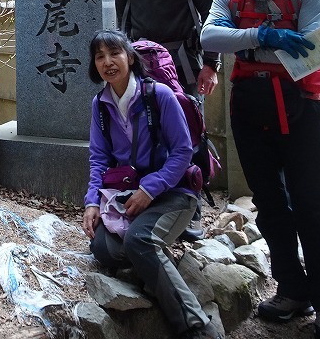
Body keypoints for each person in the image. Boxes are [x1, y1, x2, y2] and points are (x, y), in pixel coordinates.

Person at [201, 0, 320, 339]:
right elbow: (209, 36)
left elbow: (309, 49)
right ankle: (292, 289)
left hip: (301, 106)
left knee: (314, 205)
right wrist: (263, 36)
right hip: (249, 108)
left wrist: (243, 45)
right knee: (270, 203)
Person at [82, 29, 220, 339]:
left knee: (138, 241)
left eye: (114, 53)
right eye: (100, 56)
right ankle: (154, 265)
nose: (108, 62)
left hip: (174, 192)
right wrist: (92, 202)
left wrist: (150, 189)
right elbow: (98, 158)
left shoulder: (159, 95)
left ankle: (196, 325)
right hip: (129, 197)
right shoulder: (100, 104)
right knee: (103, 249)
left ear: (130, 57)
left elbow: (183, 151)